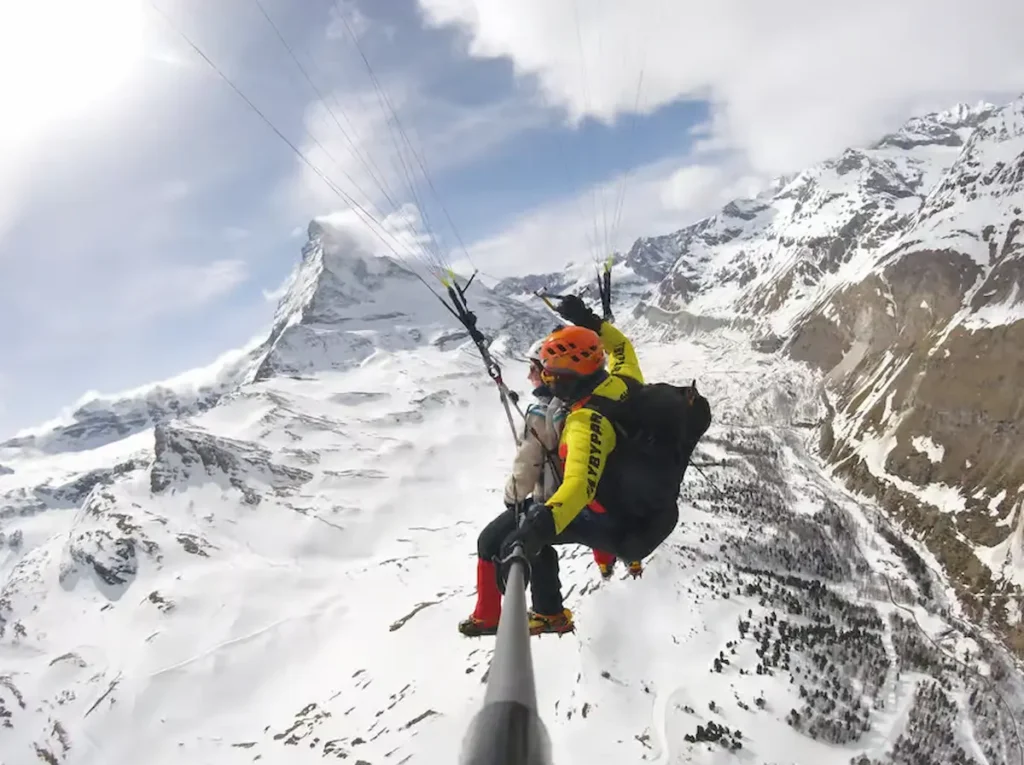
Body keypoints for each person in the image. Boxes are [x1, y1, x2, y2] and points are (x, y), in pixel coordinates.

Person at [496, 295, 705, 635]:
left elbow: (578, 487)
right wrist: (589, 321)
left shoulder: (585, 422)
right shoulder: (624, 382)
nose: (545, 381)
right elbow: (621, 347)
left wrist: (538, 526)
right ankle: (614, 565)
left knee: (509, 531)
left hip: (621, 529)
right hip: (654, 512)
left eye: (549, 376)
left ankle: (547, 611)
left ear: (566, 378)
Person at [458, 335, 627, 638]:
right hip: (602, 505)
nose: (531, 375)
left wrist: (512, 498)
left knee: (493, 540)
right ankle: (562, 601)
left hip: (555, 499)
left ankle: (490, 616)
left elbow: (527, 467)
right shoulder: (582, 402)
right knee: (539, 539)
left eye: (536, 369)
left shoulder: (542, 414)